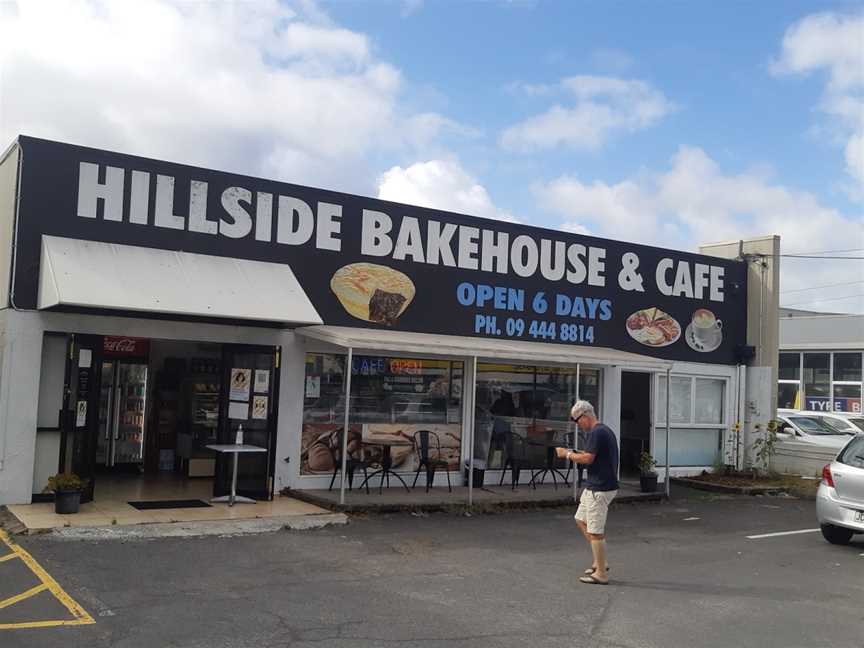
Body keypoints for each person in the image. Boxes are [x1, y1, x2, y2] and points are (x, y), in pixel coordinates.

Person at [555, 400, 619, 585]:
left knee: (596, 530)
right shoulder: (603, 430)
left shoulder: (596, 432)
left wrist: (566, 455)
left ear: (585, 416)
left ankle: (601, 573)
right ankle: (601, 562)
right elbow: (590, 453)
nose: (577, 425)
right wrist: (574, 452)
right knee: (581, 519)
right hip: (595, 486)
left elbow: (588, 458)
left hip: (600, 488)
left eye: (577, 421)